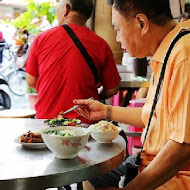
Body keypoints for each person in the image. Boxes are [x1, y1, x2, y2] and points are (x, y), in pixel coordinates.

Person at [73, 0, 190, 189]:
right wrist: (105, 111)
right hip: (145, 161)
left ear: (141, 23)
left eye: (118, 29)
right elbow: (153, 117)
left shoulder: (184, 55)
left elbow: (182, 147)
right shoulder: (167, 51)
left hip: (176, 177)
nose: (117, 38)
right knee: (89, 174)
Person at [26, 0, 120, 124]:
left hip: (46, 123)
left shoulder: (41, 39)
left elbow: (31, 81)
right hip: (85, 125)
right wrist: (95, 97)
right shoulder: (100, 44)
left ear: (65, 9)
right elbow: (112, 89)